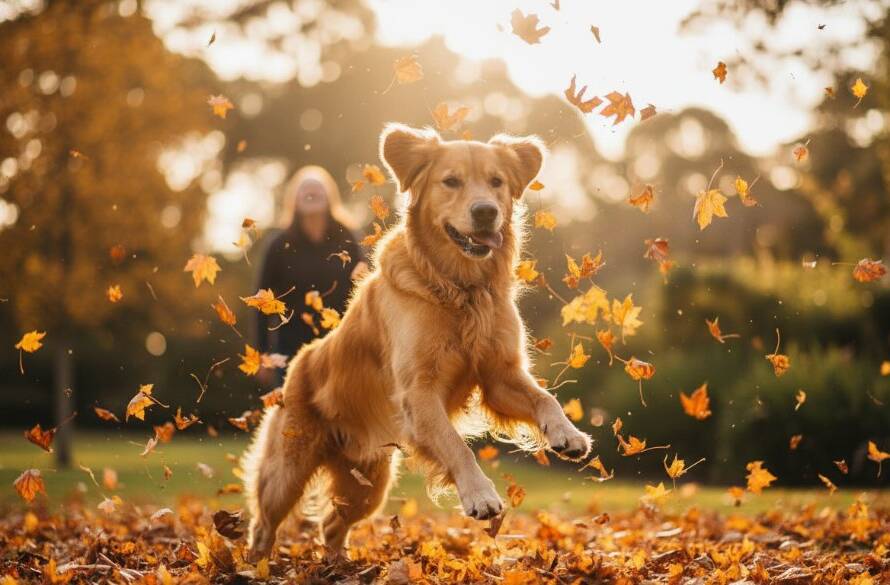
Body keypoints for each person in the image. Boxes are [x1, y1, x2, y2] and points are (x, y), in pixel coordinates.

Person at [253, 165, 368, 386]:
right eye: (305, 188)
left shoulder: (348, 238)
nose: (312, 191)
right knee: (293, 414)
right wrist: (262, 353)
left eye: (318, 187)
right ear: (294, 199)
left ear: (330, 196)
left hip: (340, 345)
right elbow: (260, 302)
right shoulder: (278, 245)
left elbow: (364, 290)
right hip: (289, 349)